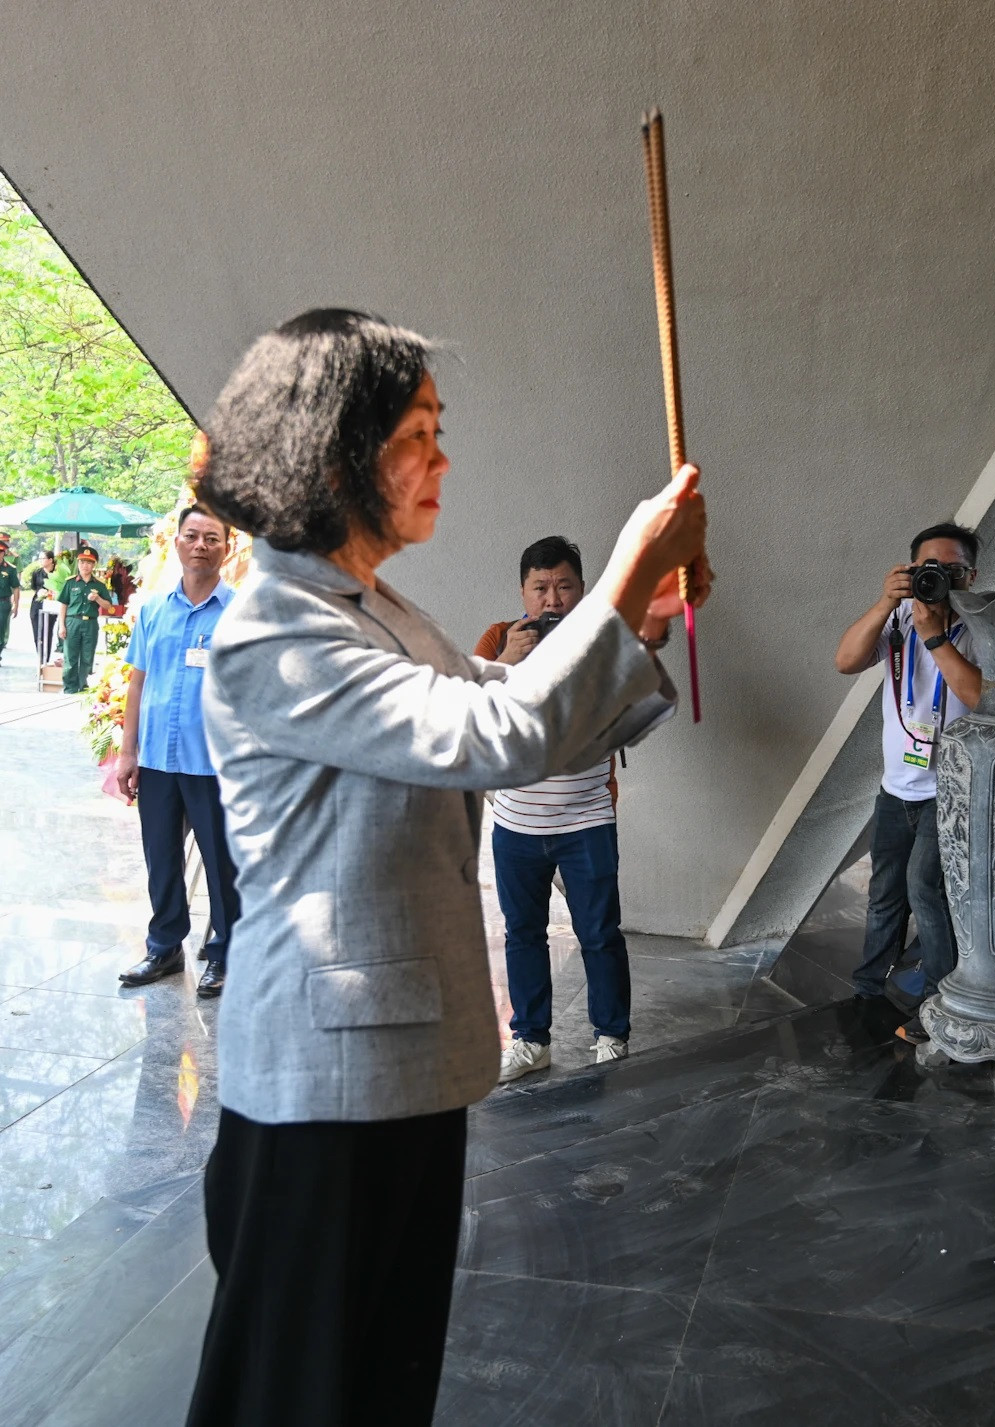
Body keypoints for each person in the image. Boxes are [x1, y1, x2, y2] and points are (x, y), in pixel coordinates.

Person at [184, 308, 711, 1427]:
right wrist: (622, 574)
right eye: (418, 432)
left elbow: (516, 709)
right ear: (333, 456)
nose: (443, 458)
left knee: (379, 1383)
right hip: (321, 1083)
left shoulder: (378, 609)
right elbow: (500, 735)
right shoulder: (275, 628)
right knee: (297, 1394)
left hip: (396, 1061)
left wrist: (642, 624)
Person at [475, 534, 681, 1081]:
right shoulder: (501, 638)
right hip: (516, 823)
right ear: (523, 591)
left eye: (563, 586)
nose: (552, 599)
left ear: (581, 589)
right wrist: (505, 663)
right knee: (523, 933)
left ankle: (611, 1036)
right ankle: (530, 1039)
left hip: (586, 819)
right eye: (540, 587)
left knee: (600, 933)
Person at [832, 522, 982, 1044]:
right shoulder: (895, 618)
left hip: (953, 793)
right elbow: (846, 660)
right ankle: (870, 989)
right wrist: (882, 605)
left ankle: (940, 1004)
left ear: (969, 576)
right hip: (897, 788)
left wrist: (935, 637)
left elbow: (982, 696)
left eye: (948, 569)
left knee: (926, 889)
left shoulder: (982, 628)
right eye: (925, 569)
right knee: (885, 893)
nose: (936, 577)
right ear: (910, 572)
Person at [114, 507, 243, 998]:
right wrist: (128, 751)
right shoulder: (153, 610)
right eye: (192, 535)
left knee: (221, 861)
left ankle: (226, 953)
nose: (201, 545)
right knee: (161, 858)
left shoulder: (240, 614)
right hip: (158, 762)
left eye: (212, 537)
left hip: (214, 762)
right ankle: (165, 946)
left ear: (226, 548)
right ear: (178, 543)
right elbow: (138, 681)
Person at [56, 546, 116, 693]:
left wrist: (98, 598)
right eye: (82, 562)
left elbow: (108, 606)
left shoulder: (99, 585)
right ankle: (70, 688)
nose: (85, 565)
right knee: (70, 657)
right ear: (78, 563)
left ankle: (84, 687)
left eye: (89, 563)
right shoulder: (70, 583)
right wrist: (61, 626)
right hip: (72, 622)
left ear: (94, 565)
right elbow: (63, 605)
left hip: (90, 623)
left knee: (87, 657)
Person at [29, 549, 59, 665]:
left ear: (51, 560)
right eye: (40, 559)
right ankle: (40, 658)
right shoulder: (37, 572)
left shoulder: (57, 572)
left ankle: (45, 660)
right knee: (37, 632)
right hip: (37, 604)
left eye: (43, 558)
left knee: (47, 632)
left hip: (51, 604)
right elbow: (33, 587)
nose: (41, 561)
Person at [0, 535, 19, 663]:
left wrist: (16, 604)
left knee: (1, 633)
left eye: (0, 552)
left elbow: (16, 588)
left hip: (3, 603)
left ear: (4, 553)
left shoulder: (10, 569)